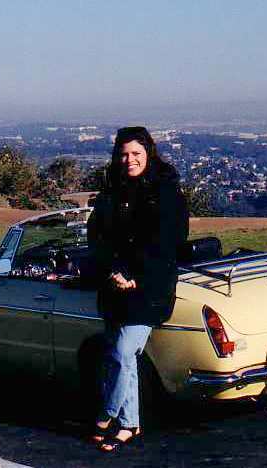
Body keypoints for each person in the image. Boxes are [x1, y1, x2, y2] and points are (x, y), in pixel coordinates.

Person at [86, 126, 189, 452]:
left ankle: (105, 415)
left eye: (136, 154)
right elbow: (97, 237)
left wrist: (134, 274)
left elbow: (169, 241)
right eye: (124, 154)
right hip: (114, 286)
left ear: (149, 154)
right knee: (124, 358)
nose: (130, 160)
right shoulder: (111, 190)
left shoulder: (166, 191)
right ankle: (130, 424)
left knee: (121, 352)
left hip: (150, 288)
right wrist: (113, 270)